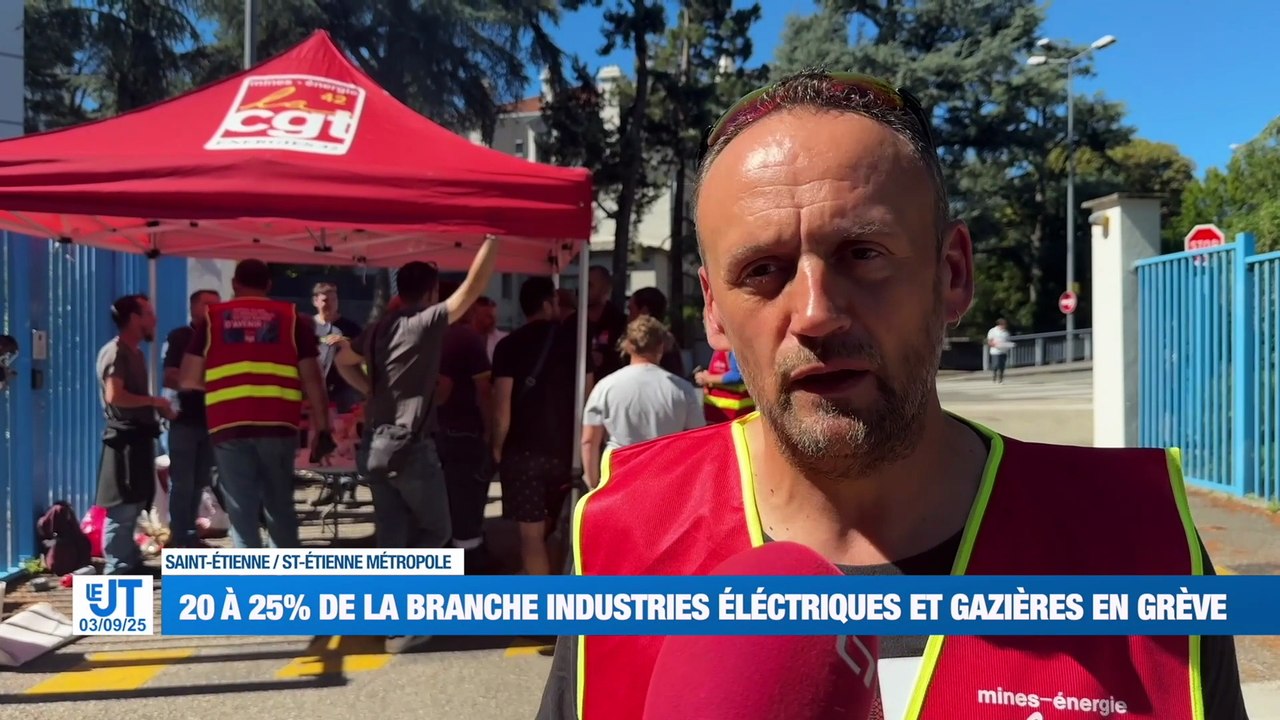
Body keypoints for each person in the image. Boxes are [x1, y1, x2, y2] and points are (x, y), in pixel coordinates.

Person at [537, 68, 1248, 720]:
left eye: (863, 254)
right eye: (762, 270)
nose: (815, 311)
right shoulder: (616, 537)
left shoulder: (1142, 548)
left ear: (953, 274)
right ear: (714, 309)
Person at [179, 259, 329, 550]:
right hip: (278, 424)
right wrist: (323, 428)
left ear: (234, 284)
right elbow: (313, 378)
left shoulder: (213, 319)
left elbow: (187, 378)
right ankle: (286, 582)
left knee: (241, 511)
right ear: (269, 284)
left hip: (229, 425)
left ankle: (251, 583)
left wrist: (224, 384)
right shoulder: (292, 317)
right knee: (280, 508)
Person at [492, 277, 595, 576]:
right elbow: (589, 398)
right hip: (567, 452)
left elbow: (501, 408)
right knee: (563, 528)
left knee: (531, 536)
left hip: (523, 454)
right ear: (548, 303)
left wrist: (498, 447)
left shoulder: (508, 345)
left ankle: (542, 605)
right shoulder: (575, 344)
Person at [96, 294, 173, 574]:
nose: (155, 319)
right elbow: (115, 395)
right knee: (123, 506)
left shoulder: (136, 352)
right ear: (134, 318)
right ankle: (117, 568)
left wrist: (158, 408)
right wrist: (154, 402)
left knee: (137, 500)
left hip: (138, 438)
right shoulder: (117, 352)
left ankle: (130, 561)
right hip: (123, 441)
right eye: (149, 314)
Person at [580, 316, 704, 489]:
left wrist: (593, 484)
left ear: (628, 346)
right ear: (661, 346)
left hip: (617, 477)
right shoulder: (682, 390)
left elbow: (589, 441)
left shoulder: (605, 387)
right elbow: (698, 441)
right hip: (664, 477)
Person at [435, 281, 498, 570]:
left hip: (436, 433)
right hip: (464, 432)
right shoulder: (466, 338)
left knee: (447, 503)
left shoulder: (434, 336)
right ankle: (470, 567)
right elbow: (483, 391)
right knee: (468, 505)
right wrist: (490, 431)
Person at [162, 289, 221, 548]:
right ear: (193, 308)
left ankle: (190, 534)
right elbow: (171, 377)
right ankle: (178, 537)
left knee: (200, 482)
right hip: (185, 419)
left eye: (218, 305)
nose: (214, 310)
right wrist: (207, 383)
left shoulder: (223, 338)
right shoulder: (181, 337)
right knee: (182, 482)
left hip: (214, 421)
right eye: (208, 305)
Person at [626, 287, 686, 377]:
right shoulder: (670, 343)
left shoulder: (661, 342)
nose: (628, 317)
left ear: (644, 311)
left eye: (631, 310)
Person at [694, 348, 754, 423]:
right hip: (717, 412)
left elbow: (738, 376)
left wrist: (708, 378)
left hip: (733, 414)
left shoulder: (733, 347)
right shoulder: (720, 347)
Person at [987, 317, 1013, 383]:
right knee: (995, 365)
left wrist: (1008, 345)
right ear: (1000, 324)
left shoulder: (1006, 332)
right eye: (1003, 324)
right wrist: (995, 344)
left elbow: (1008, 341)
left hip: (1003, 351)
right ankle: (994, 375)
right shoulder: (993, 331)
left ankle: (1000, 378)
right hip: (995, 351)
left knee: (1002, 365)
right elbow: (989, 341)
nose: (1005, 326)